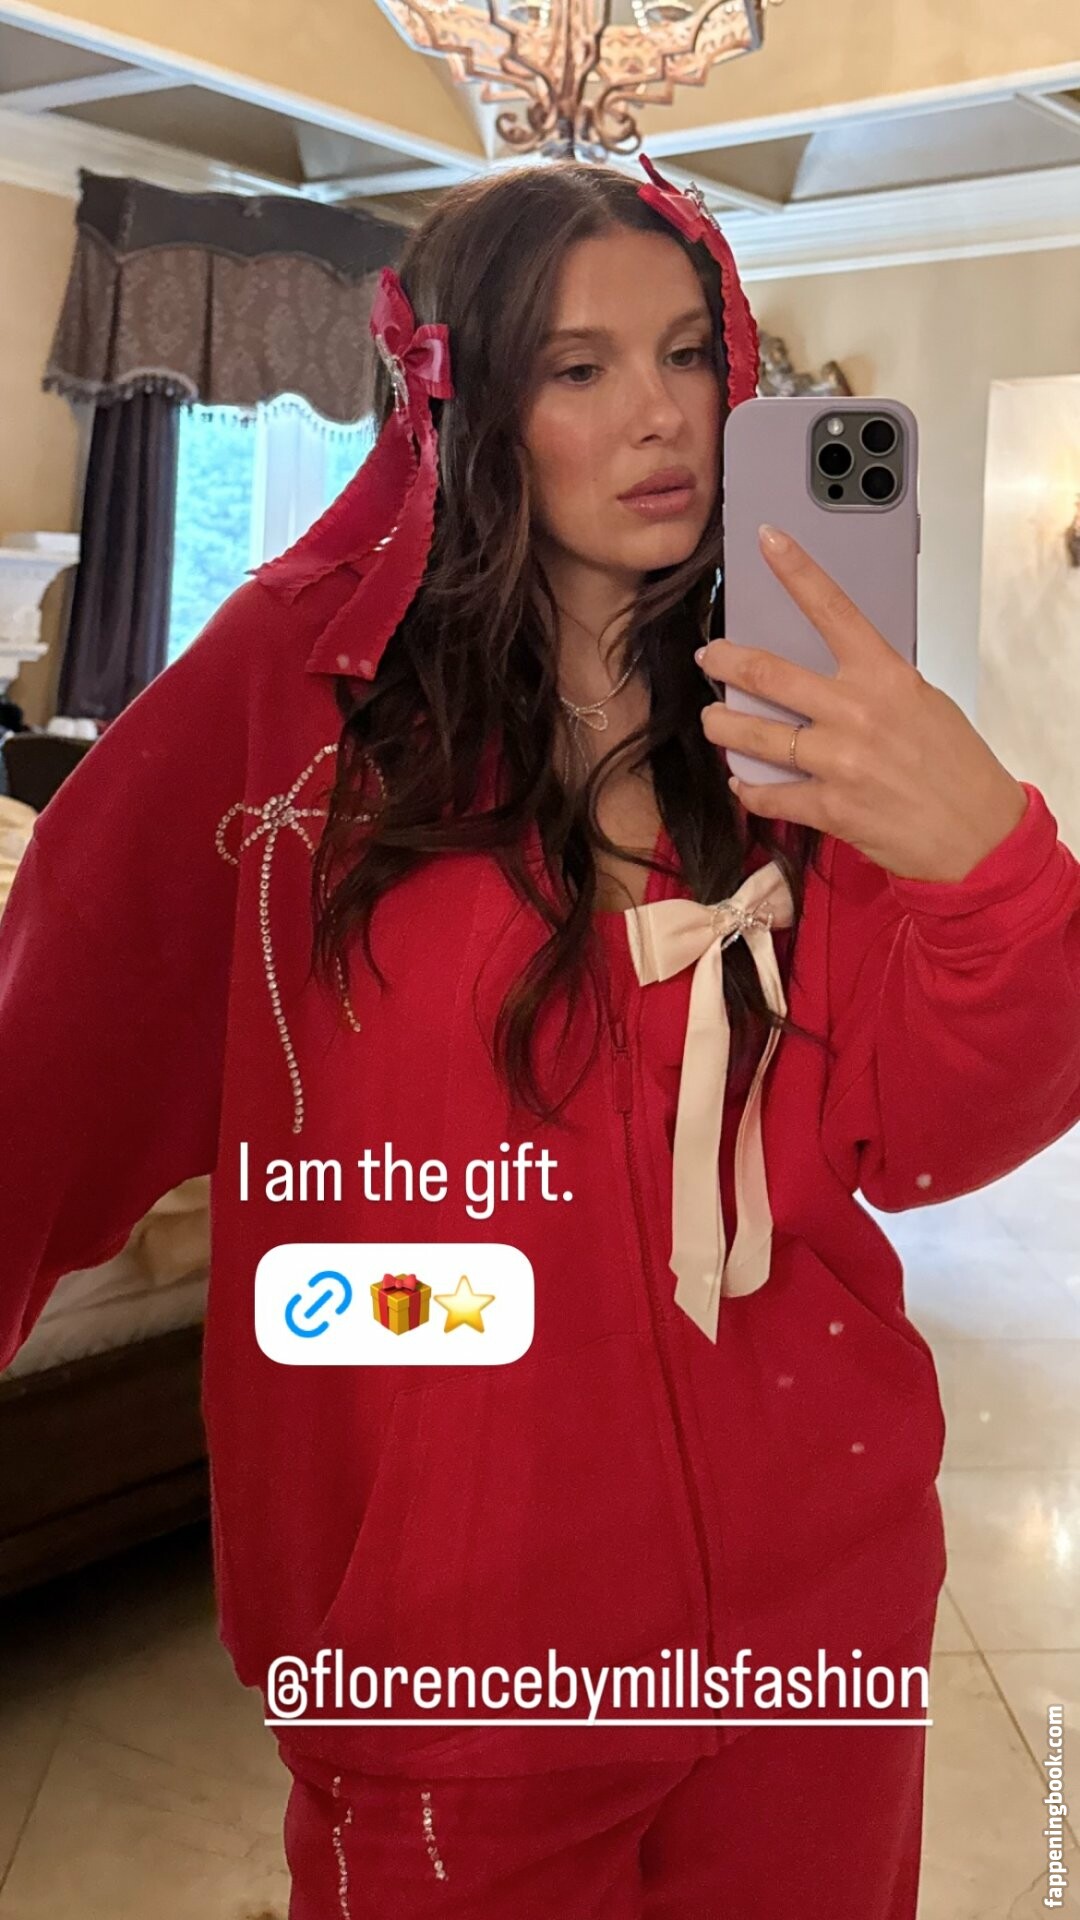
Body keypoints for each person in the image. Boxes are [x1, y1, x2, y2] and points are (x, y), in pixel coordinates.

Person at [1, 155, 1078, 1920]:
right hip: (460, 1669)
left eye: (688, 353)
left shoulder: (796, 717)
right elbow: (44, 1065)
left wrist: (993, 869)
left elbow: (929, 1134)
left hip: (819, 1627)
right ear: (463, 401)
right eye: (579, 368)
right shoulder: (292, 701)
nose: (660, 415)